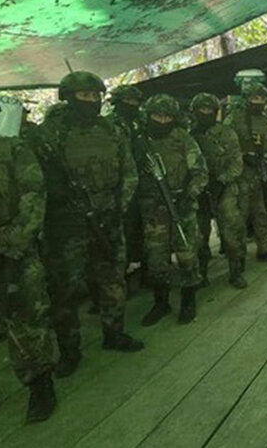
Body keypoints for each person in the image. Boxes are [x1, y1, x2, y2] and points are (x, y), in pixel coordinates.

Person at [28, 72, 143, 381]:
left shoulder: (112, 130)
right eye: (84, 96)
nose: (91, 101)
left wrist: (117, 208)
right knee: (64, 288)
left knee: (112, 277)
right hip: (66, 223)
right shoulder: (48, 135)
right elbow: (33, 182)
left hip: (107, 216)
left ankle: (114, 333)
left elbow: (129, 173)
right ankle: (69, 349)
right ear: (68, 97)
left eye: (95, 96)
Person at [0, 85, 57, 424]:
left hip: (13, 253)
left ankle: (40, 384)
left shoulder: (13, 149)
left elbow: (34, 197)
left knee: (28, 322)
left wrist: (5, 247)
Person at [135, 94, 208, 327]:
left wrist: (190, 194)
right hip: (153, 209)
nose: (162, 120)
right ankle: (161, 302)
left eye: (167, 116)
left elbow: (199, 171)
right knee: (156, 259)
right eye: (157, 115)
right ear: (148, 116)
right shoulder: (139, 141)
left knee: (187, 255)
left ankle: (188, 301)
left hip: (181, 206)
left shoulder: (183, 139)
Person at [190, 93, 248, 289]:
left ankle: (236, 271)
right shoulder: (188, 135)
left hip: (225, 188)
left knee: (231, 230)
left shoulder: (227, 133)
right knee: (199, 235)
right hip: (198, 190)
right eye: (202, 110)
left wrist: (222, 181)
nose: (205, 113)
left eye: (209, 110)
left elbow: (236, 162)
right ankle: (202, 273)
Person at [224, 84, 267, 262]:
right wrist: (241, 159)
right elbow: (225, 147)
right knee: (239, 217)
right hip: (240, 176)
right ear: (246, 99)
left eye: (261, 99)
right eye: (253, 99)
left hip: (261, 175)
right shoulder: (234, 119)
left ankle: (265, 249)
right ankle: (237, 256)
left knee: (262, 213)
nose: (257, 102)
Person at [106, 85, 146, 277]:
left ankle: (148, 269)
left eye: (135, 102)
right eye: (127, 101)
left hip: (146, 182)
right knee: (124, 231)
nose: (131, 105)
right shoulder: (107, 125)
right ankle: (125, 272)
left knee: (145, 228)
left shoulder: (143, 121)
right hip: (120, 185)